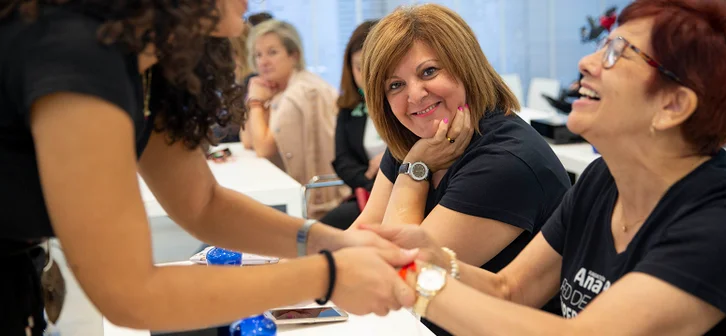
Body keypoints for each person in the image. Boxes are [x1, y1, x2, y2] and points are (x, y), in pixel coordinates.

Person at [362, 1, 726, 335]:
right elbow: (509, 289)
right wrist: (438, 262)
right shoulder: (603, 181)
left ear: (673, 105)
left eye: (617, 53)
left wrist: (416, 278)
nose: (587, 63)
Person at [0, 1, 417, 334]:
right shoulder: (77, 55)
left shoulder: (146, 66)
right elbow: (128, 294)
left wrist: (334, 244)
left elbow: (202, 204)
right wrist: (327, 275)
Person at [355, 4, 570, 334]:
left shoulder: (505, 162)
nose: (415, 95)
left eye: (428, 72)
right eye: (395, 85)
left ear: (466, 67)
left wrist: (415, 169)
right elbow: (361, 238)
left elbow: (394, 271)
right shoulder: (419, 138)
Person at [239, 19, 346, 219]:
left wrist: (255, 103)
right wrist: (258, 100)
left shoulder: (300, 93)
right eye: (258, 55)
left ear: (294, 55)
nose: (263, 61)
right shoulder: (281, 89)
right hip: (296, 193)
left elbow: (262, 148)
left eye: (272, 52)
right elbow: (247, 141)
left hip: (317, 202)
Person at [321, 20, 384, 230]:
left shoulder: (407, 102)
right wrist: (370, 181)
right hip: (367, 194)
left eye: (372, 66)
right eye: (359, 67)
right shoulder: (349, 107)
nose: (366, 75)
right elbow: (343, 161)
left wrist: (388, 162)